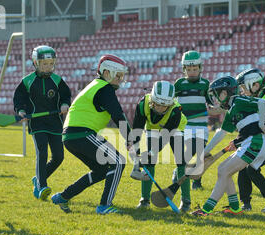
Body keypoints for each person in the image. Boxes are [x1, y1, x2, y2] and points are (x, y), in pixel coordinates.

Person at [51, 54, 132, 214]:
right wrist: (130, 138)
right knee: (118, 162)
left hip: (70, 136)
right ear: (107, 73)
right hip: (81, 133)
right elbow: (118, 115)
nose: (120, 79)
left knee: (101, 170)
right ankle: (104, 205)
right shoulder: (105, 88)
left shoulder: (96, 85)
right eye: (118, 75)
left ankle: (63, 196)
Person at [189, 76, 265, 217]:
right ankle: (235, 208)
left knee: (225, 171)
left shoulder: (239, 101)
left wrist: (262, 123)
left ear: (224, 93)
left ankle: (206, 209)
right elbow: (221, 134)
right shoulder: (231, 111)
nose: (216, 99)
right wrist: (204, 152)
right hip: (249, 143)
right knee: (222, 169)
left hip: (255, 142)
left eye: (216, 95)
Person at [13, 45, 71, 200]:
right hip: (37, 123)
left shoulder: (57, 80)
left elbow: (66, 96)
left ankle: (38, 178)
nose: (48, 67)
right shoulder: (27, 81)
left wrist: (65, 104)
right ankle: (42, 186)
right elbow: (19, 99)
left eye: (51, 64)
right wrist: (21, 111)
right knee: (42, 153)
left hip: (55, 122)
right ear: (35, 63)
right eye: (44, 64)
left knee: (58, 157)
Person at [129, 80, 189, 212]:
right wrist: (137, 153)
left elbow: (165, 137)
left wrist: (152, 151)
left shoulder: (175, 111)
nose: (161, 109)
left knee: (180, 161)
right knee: (149, 162)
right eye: (157, 105)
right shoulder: (142, 104)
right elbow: (137, 130)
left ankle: (186, 201)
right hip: (153, 127)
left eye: (164, 106)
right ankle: (144, 200)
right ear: (152, 101)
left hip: (176, 128)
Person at [236, 68, 265, 212]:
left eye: (244, 87)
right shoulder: (255, 101)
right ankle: (245, 204)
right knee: (243, 168)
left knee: (251, 169)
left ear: (255, 86)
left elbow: (263, 125)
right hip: (259, 143)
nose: (242, 91)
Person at [172, 50, 213, 192]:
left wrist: (217, 107)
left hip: (201, 125)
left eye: (195, 69)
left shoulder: (205, 84)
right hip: (186, 125)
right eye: (188, 69)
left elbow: (210, 102)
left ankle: (197, 181)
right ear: (184, 69)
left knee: (201, 154)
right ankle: (179, 172)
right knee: (190, 150)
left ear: (200, 68)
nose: (192, 72)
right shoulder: (179, 84)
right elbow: (173, 103)